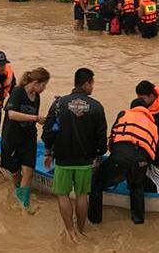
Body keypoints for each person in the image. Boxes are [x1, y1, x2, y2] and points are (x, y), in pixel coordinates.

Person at [42, 68, 107, 241]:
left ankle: (70, 231)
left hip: (63, 160)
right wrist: (99, 154)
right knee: (82, 196)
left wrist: (48, 152)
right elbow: (101, 138)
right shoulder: (96, 107)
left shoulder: (58, 104)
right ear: (86, 83)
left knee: (63, 195)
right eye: (92, 83)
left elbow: (48, 131)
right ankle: (81, 228)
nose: (92, 87)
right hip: (85, 161)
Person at [88, 98, 159, 225]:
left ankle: (95, 222)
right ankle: (138, 222)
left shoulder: (123, 114)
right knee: (136, 186)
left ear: (132, 108)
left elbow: (112, 141)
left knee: (96, 184)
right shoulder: (153, 126)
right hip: (141, 163)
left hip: (121, 157)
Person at [1, 67, 50, 212]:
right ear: (35, 82)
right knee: (15, 172)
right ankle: (18, 193)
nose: (44, 88)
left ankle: (24, 205)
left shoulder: (37, 97)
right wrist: (35, 118)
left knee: (28, 172)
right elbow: (11, 114)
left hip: (28, 138)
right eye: (43, 85)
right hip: (12, 138)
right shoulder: (18, 92)